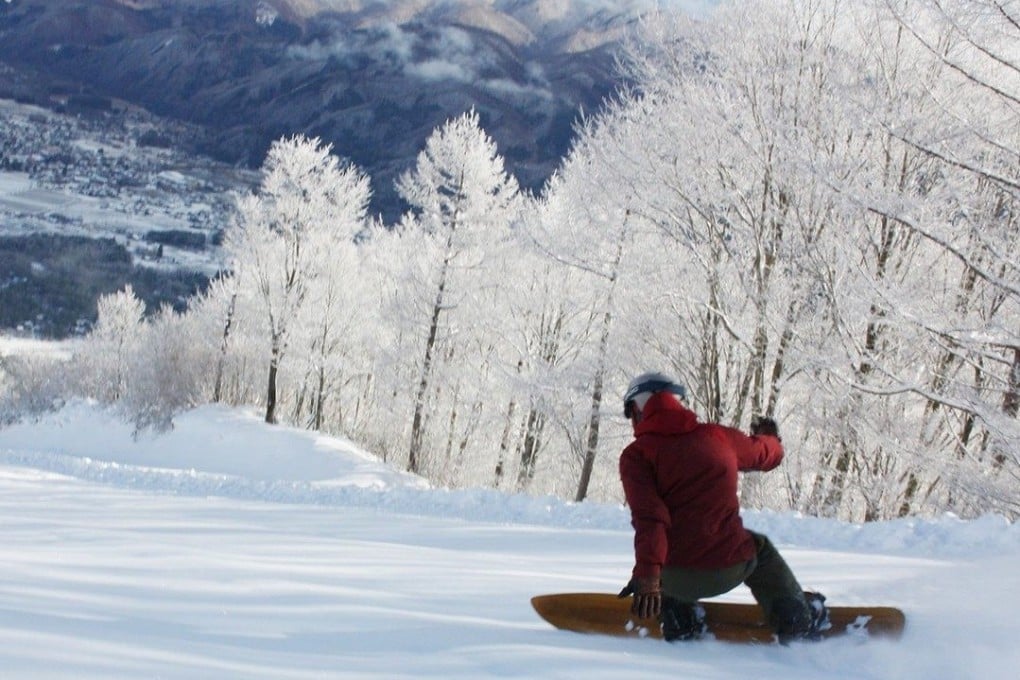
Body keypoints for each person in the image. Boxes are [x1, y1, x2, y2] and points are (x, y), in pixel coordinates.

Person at [617, 371, 828, 643]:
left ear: (637, 409)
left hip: (675, 579)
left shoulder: (636, 456)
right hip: (731, 568)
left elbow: (651, 521)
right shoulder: (717, 437)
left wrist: (647, 577)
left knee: (664, 554)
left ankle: (678, 618)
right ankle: (794, 617)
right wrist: (770, 438)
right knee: (759, 548)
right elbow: (764, 455)